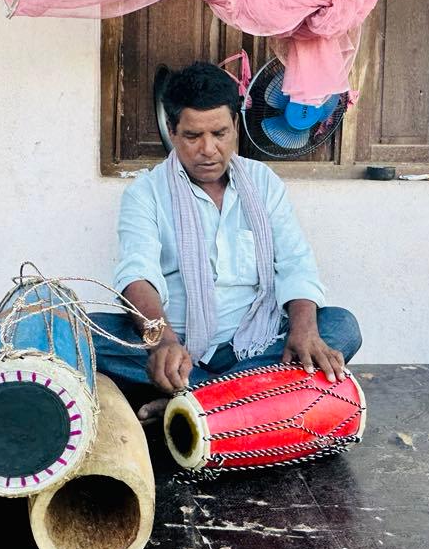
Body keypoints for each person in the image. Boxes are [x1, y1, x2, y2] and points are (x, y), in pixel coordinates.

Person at [89, 61, 361, 422]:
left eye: (220, 133)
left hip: (255, 341)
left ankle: (194, 402)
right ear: (172, 131)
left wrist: (304, 330)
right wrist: (164, 343)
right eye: (192, 136)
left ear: (236, 125)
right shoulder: (146, 193)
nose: (208, 149)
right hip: (176, 343)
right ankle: (243, 398)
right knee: (77, 332)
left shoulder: (264, 184)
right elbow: (137, 274)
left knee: (341, 326)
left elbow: (296, 264)